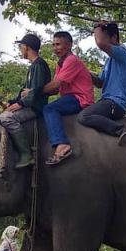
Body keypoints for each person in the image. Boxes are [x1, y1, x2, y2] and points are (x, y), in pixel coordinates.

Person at [0, 33, 52, 169]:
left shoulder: (39, 65)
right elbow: (25, 91)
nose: (20, 49)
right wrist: (12, 102)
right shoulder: (33, 66)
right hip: (29, 104)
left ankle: (26, 154)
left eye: (21, 46)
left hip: (35, 107)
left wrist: (19, 104)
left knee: (6, 118)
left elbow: (35, 91)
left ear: (26, 47)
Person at [42, 31, 95, 166]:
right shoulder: (60, 64)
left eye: (58, 44)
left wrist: (34, 92)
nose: (55, 48)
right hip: (70, 97)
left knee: (49, 109)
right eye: (53, 45)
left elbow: (55, 84)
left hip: (80, 99)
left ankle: (62, 144)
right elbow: (54, 89)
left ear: (69, 45)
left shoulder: (72, 60)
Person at [78, 22, 126, 144]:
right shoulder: (109, 61)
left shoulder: (121, 52)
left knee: (84, 116)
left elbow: (100, 44)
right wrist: (84, 72)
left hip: (115, 103)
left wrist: (97, 26)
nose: (100, 40)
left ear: (114, 37)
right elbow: (100, 83)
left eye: (104, 36)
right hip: (107, 102)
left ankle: (121, 130)